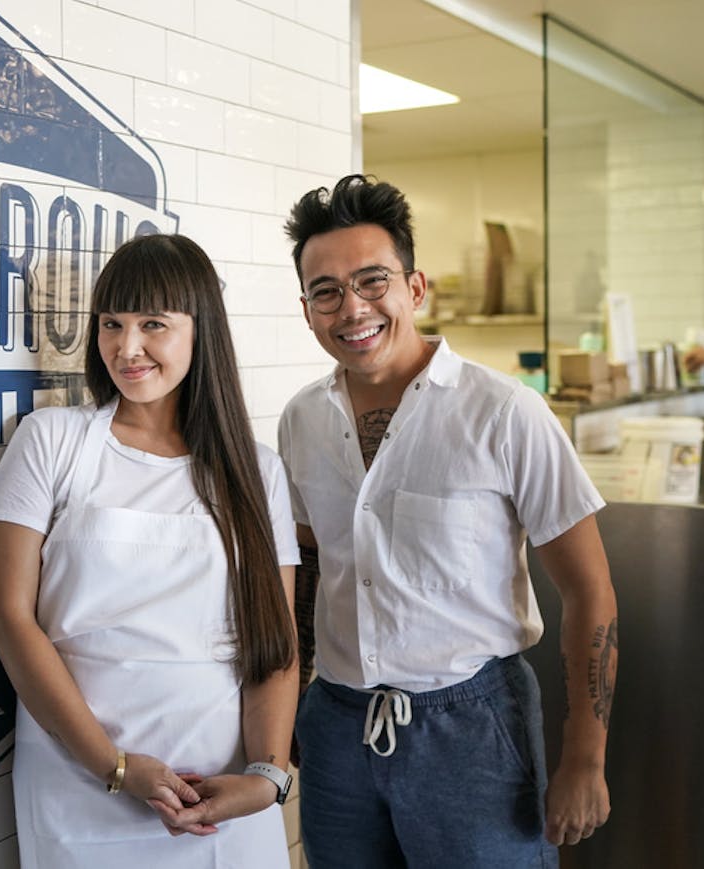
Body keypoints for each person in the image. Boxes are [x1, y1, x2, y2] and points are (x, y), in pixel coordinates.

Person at [278, 175, 619, 868]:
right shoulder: (301, 420)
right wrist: (290, 699)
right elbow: (311, 565)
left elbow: (589, 591)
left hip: (472, 729)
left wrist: (585, 756)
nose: (352, 308)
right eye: (326, 291)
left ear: (415, 287)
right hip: (337, 725)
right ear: (308, 309)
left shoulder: (503, 412)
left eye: (373, 281)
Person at [0, 234, 300, 867]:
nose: (128, 348)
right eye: (111, 324)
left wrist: (265, 777)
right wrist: (115, 766)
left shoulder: (256, 473)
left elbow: (275, 643)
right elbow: (3, 616)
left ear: (200, 331)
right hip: (80, 782)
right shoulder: (52, 442)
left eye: (154, 324)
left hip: (221, 789)